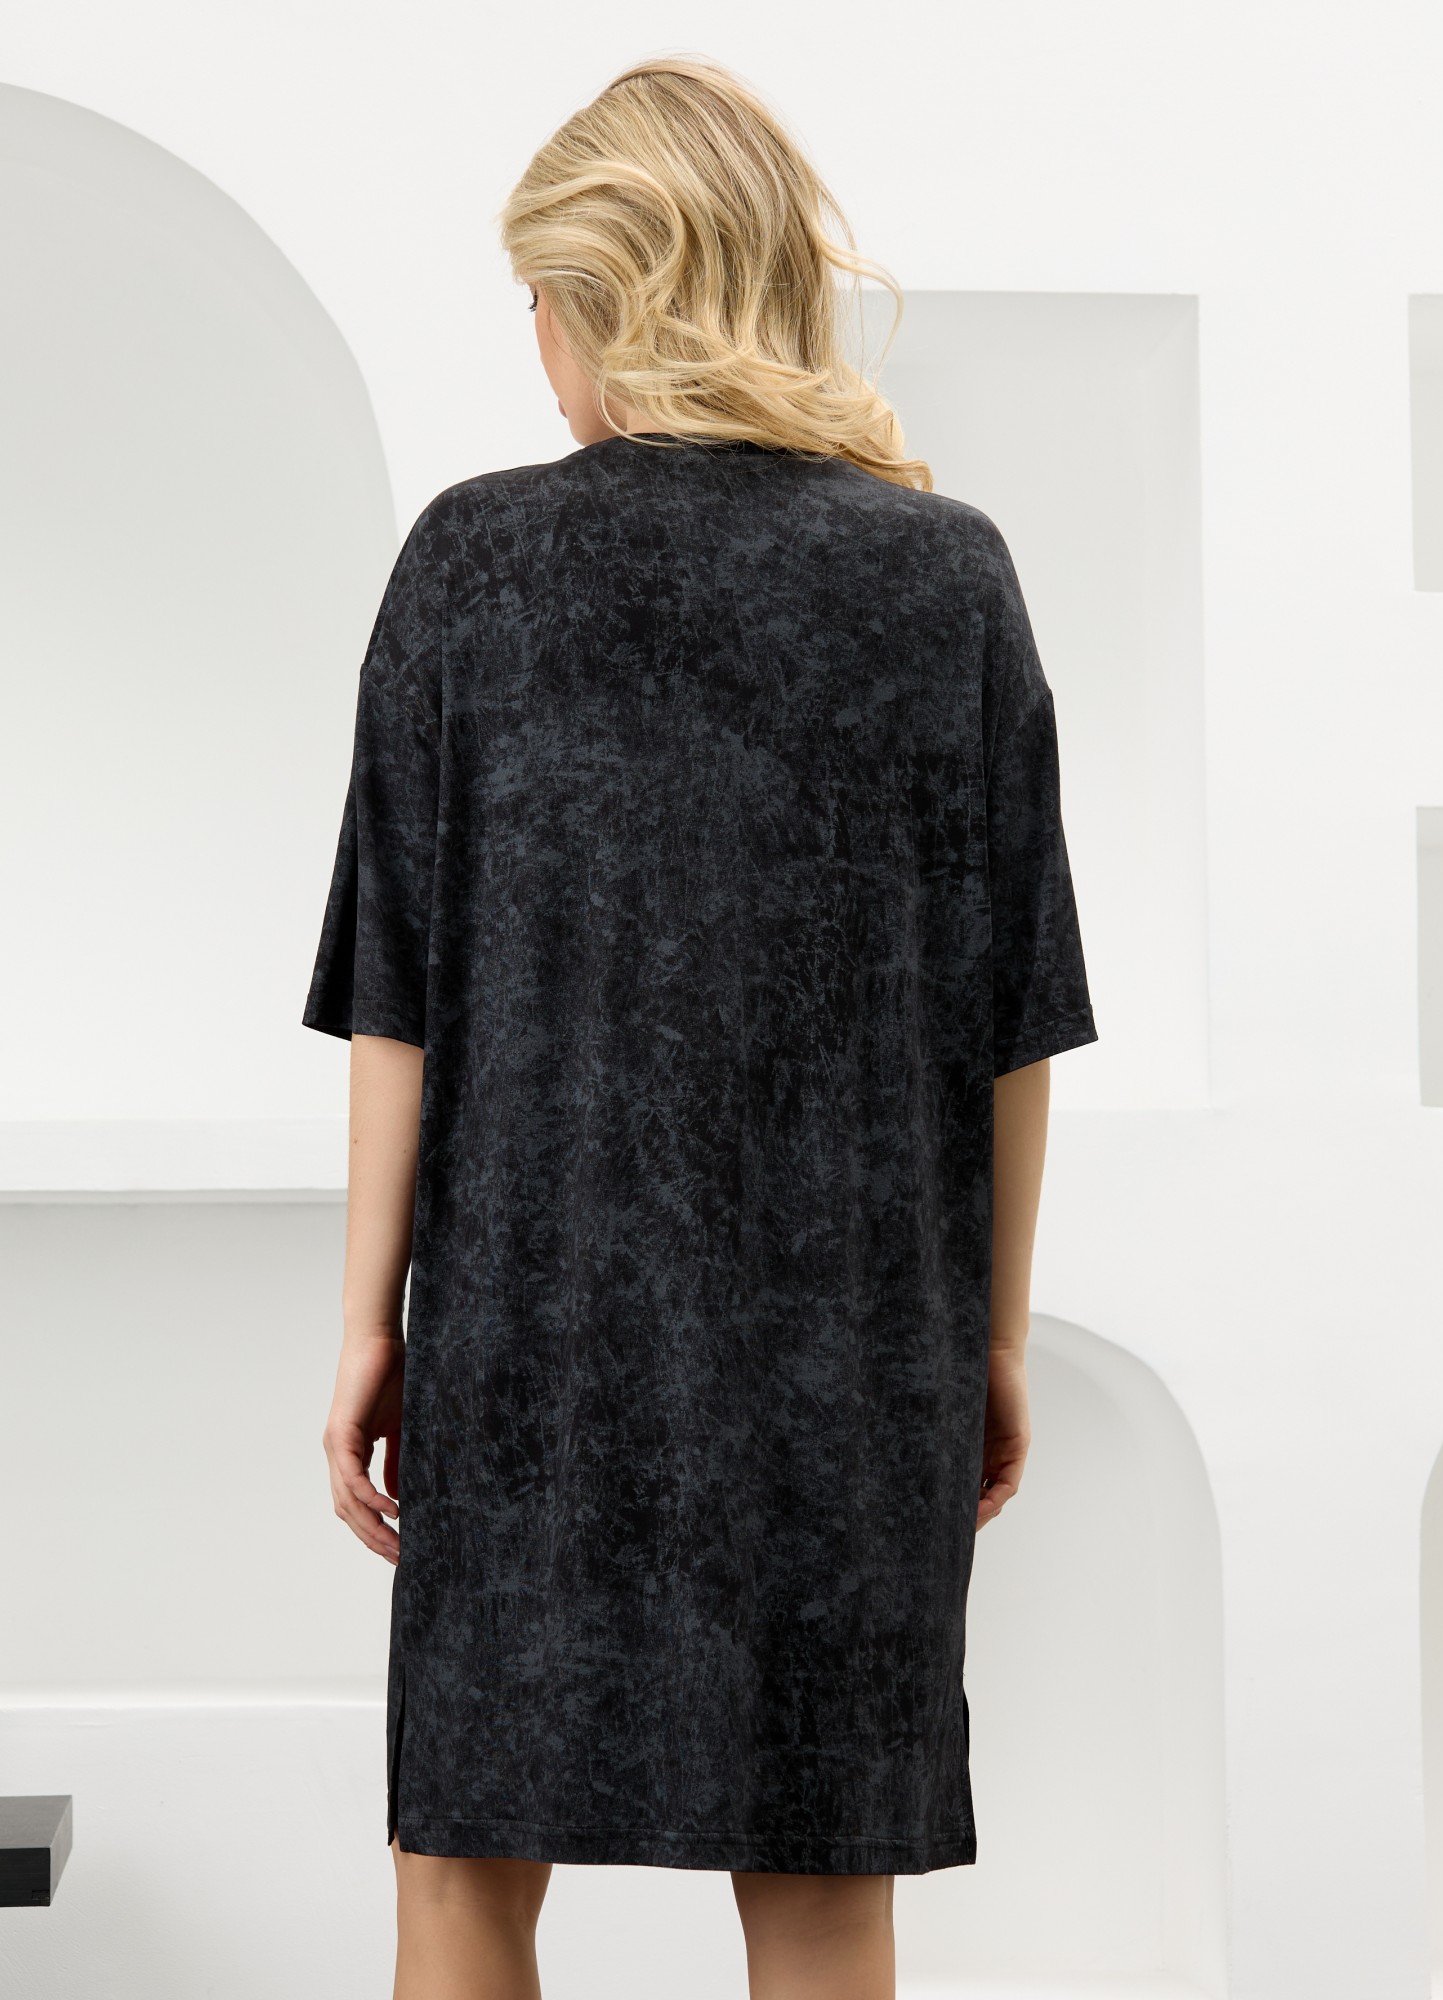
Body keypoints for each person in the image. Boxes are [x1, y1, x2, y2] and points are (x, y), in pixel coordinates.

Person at [305, 53, 1098, 2000]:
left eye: (539, 308)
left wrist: (369, 1323)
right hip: (856, 1350)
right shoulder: (947, 577)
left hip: (531, 1333)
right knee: (822, 1892)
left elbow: (397, 994)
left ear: (600, 297)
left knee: (461, 1870)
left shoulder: (472, 562)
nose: (538, 357)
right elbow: (1014, 1021)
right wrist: (991, 1336)